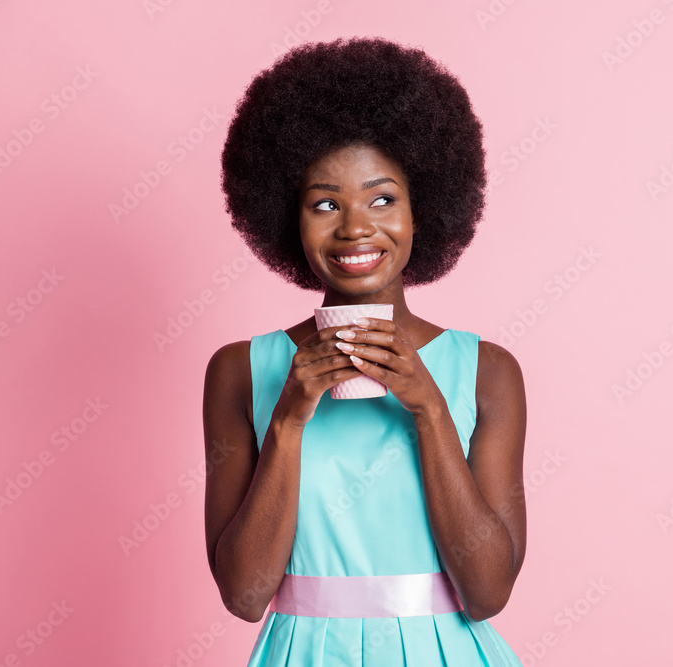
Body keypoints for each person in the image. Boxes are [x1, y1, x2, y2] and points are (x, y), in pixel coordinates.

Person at [203, 35, 527, 665]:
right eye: (326, 203)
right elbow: (244, 595)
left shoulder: (487, 373)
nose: (355, 227)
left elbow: (487, 593)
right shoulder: (240, 371)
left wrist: (431, 408)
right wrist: (289, 420)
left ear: (423, 209)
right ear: (287, 219)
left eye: (382, 199)